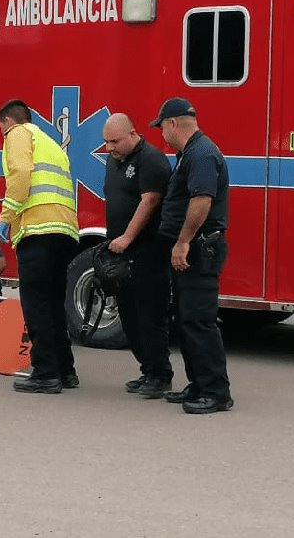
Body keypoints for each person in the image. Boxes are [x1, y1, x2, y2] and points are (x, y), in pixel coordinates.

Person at [150, 97, 233, 415]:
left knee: (199, 321)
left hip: (199, 248)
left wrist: (183, 241)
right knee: (186, 319)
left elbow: (201, 201)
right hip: (192, 247)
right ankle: (198, 384)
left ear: (173, 123)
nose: (161, 135)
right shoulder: (190, 153)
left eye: (161, 127)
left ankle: (215, 391)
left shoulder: (200, 153)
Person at [0, 99, 80, 394]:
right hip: (64, 230)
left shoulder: (17, 134)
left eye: (0, 128)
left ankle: (45, 373)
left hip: (37, 229)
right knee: (55, 303)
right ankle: (65, 370)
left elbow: (20, 174)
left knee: (36, 305)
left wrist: (6, 216)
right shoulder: (52, 143)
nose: (1, 134)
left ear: (8, 122)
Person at [102, 113, 174, 398]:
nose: (110, 148)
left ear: (133, 134)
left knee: (150, 316)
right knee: (129, 315)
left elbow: (151, 200)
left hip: (147, 252)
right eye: (106, 142)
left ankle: (160, 374)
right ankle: (147, 369)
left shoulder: (151, 160)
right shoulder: (114, 160)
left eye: (115, 141)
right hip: (121, 253)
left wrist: (128, 237)